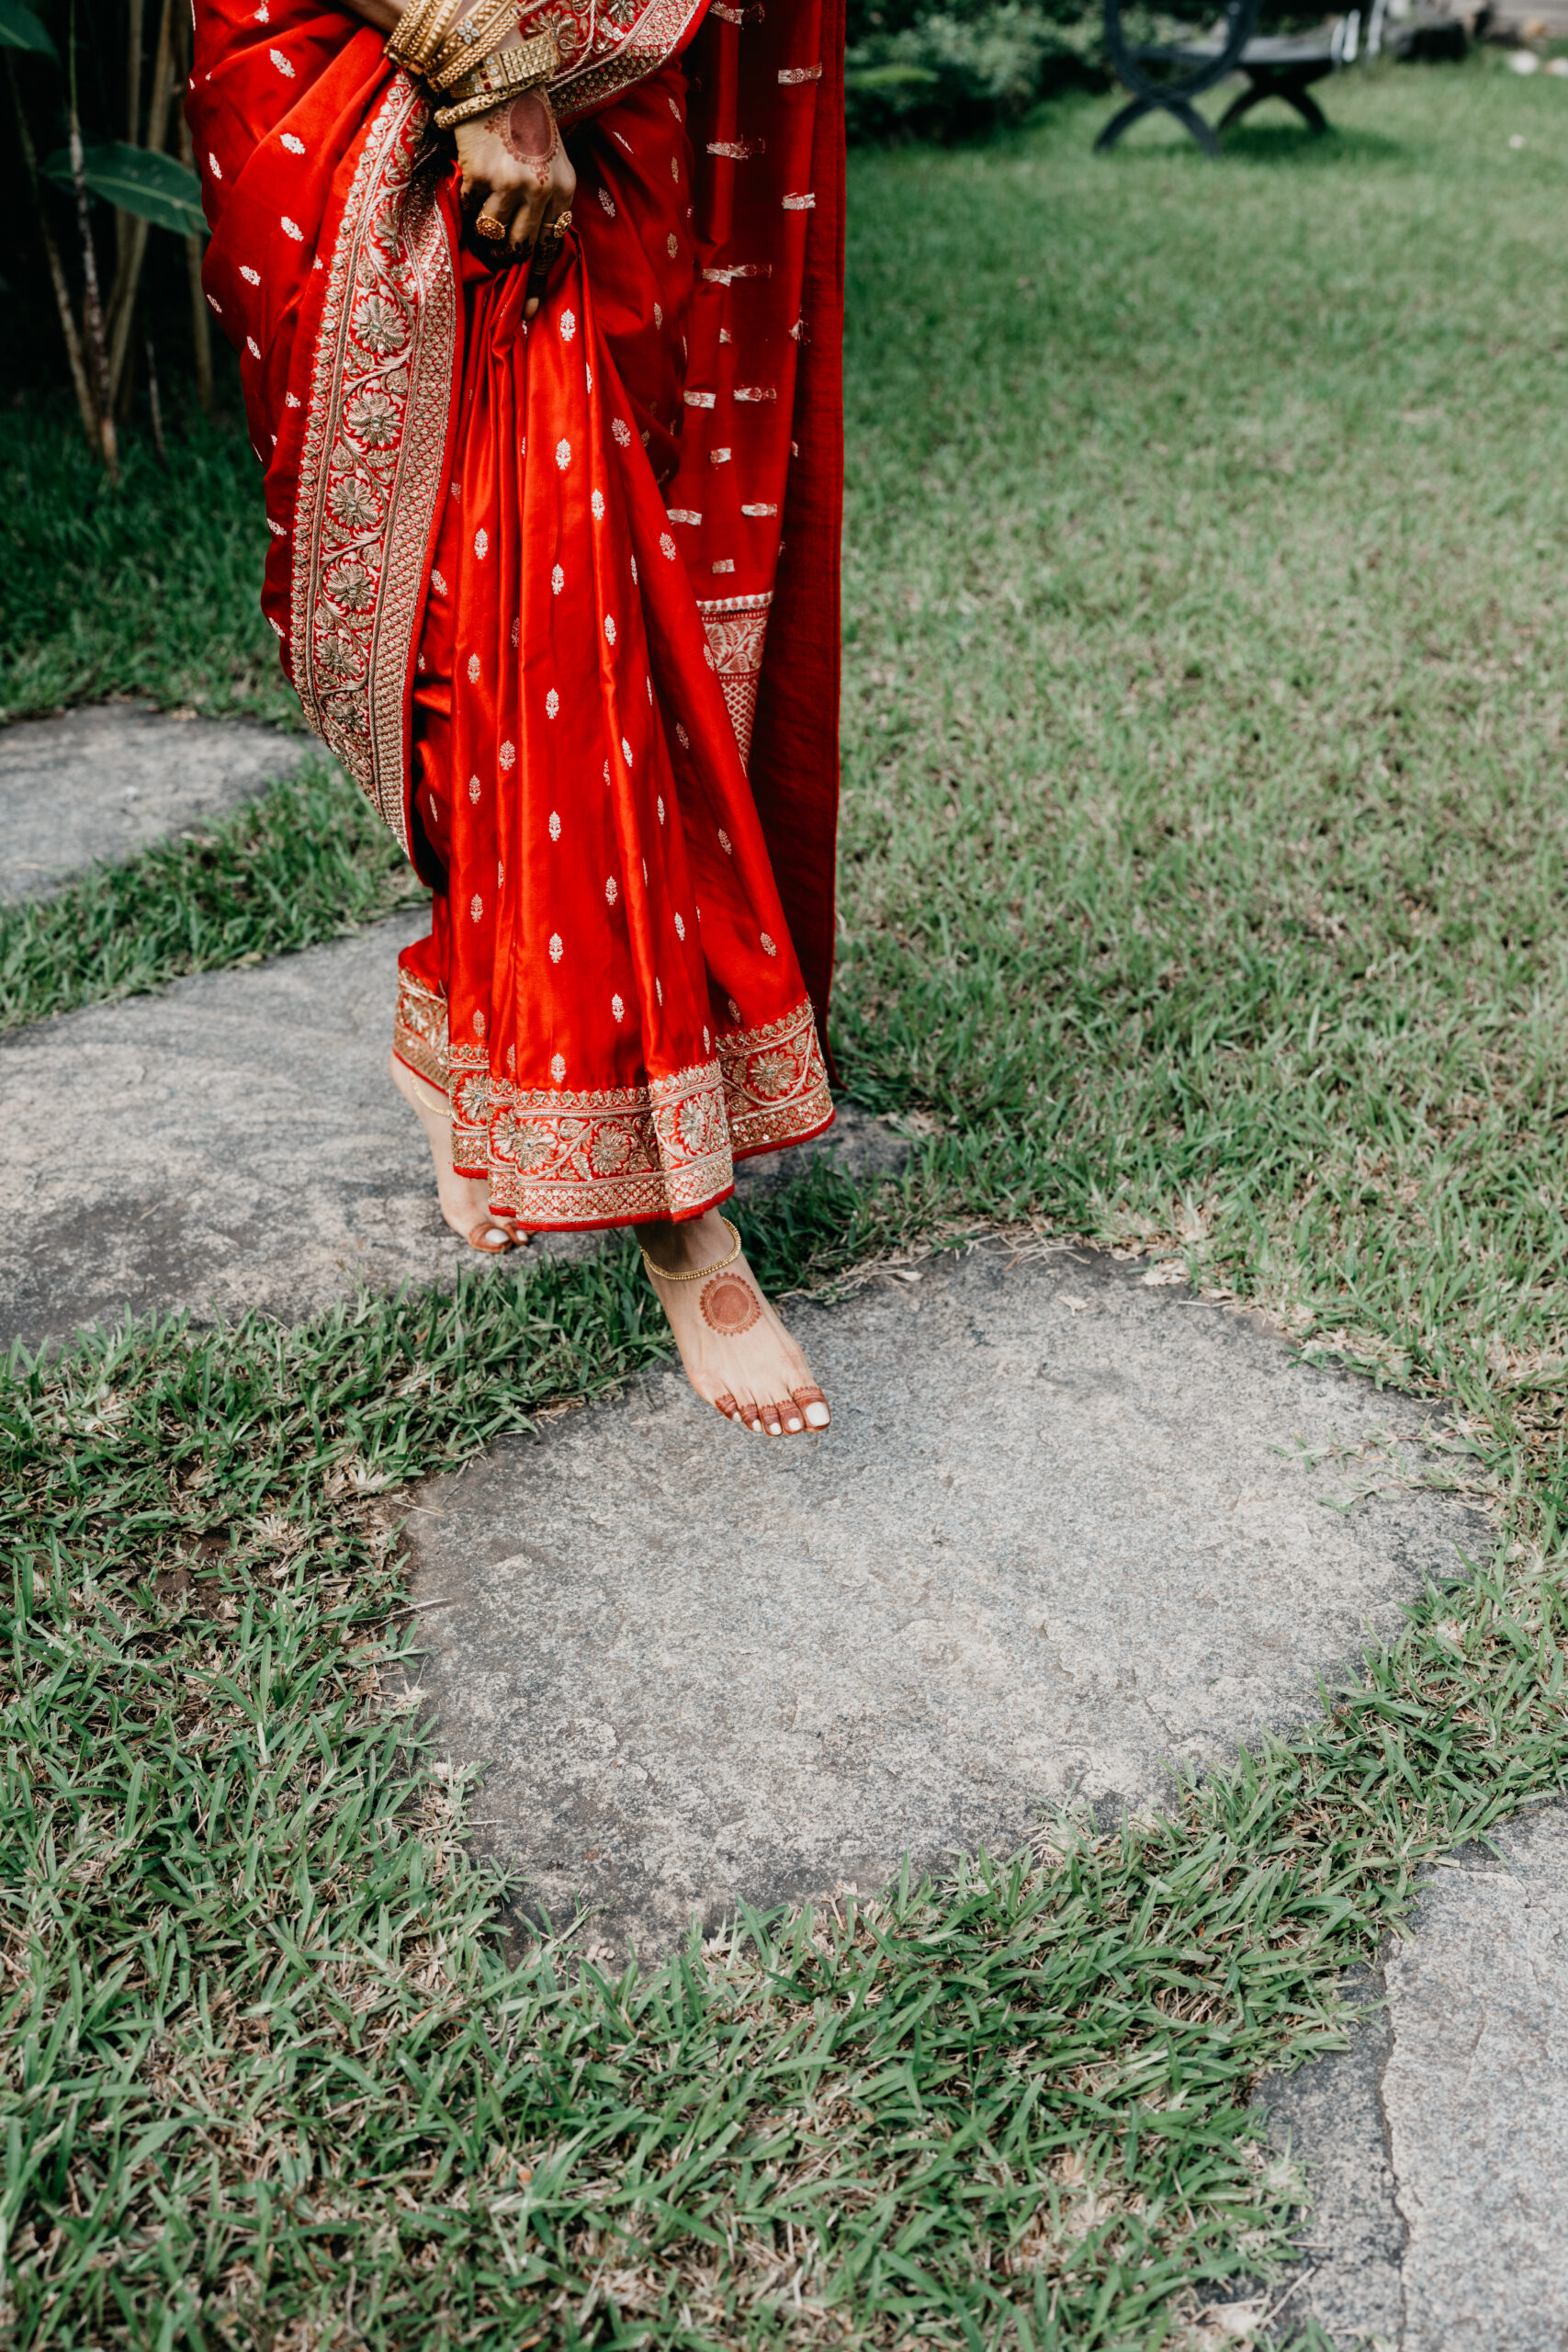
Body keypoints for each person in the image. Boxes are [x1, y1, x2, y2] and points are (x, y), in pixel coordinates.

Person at [187, 0, 845, 1435]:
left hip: (628, 69)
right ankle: (683, 1223)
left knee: (579, 601)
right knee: (509, 600)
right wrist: (482, 60)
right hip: (404, 55)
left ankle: (476, 1017)